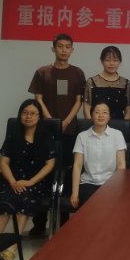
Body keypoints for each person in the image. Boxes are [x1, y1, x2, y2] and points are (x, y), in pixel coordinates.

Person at [27, 33, 85, 236]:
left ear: (72, 50)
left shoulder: (77, 73)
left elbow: (79, 101)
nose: (64, 50)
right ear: (53, 48)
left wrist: (66, 121)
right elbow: (38, 99)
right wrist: (51, 120)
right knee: (43, 172)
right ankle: (39, 222)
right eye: (60, 46)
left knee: (67, 174)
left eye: (67, 46)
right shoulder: (43, 72)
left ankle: (64, 221)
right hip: (45, 130)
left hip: (69, 130)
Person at [0, 99, 55, 260]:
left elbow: (50, 164)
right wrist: (12, 182)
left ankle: (12, 247)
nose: (28, 116)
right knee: (3, 197)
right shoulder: (13, 135)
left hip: (35, 181)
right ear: (20, 115)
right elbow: (3, 163)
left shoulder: (46, 136)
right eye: (25, 113)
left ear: (39, 116)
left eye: (32, 113)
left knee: (24, 197)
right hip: (10, 179)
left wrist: (30, 182)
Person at [70, 101, 127, 209]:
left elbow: (121, 165)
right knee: (90, 208)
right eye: (97, 112)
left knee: (109, 209)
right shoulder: (82, 136)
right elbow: (77, 166)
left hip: (111, 182)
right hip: (88, 183)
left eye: (105, 112)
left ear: (109, 116)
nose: (101, 115)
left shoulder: (117, 135)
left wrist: (120, 188)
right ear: (91, 115)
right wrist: (75, 193)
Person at [83, 45, 130, 121]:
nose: (111, 63)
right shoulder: (92, 81)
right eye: (107, 60)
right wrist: (91, 125)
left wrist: (124, 125)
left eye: (115, 60)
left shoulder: (125, 83)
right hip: (96, 125)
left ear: (119, 62)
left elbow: (128, 108)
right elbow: (87, 107)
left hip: (119, 125)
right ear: (102, 61)